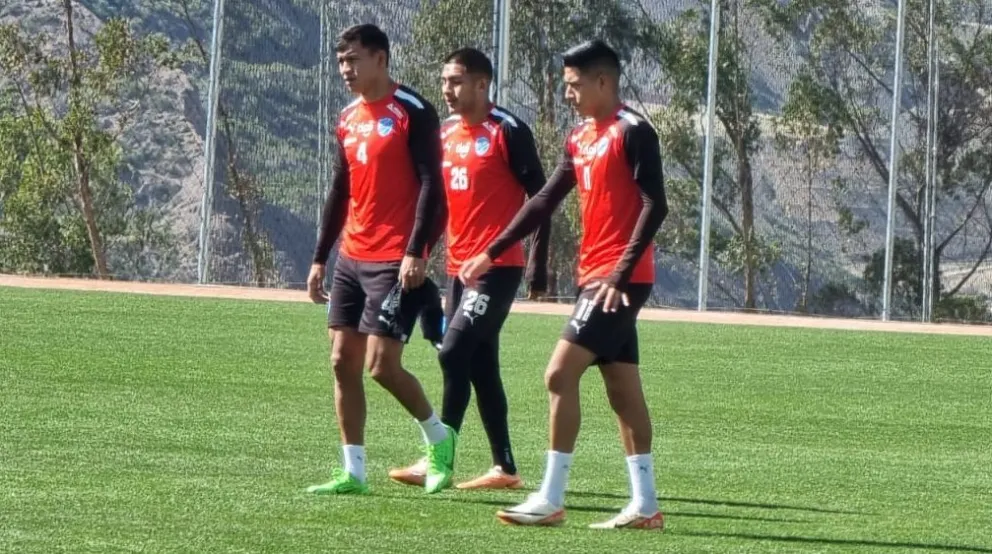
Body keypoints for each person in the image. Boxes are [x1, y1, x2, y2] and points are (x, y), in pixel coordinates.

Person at [459, 39, 668, 529]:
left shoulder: (633, 131)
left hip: (619, 280)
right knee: (623, 390)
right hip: (594, 275)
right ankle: (646, 506)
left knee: (558, 374)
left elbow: (655, 204)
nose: (568, 94)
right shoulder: (580, 137)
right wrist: (492, 248)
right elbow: (544, 200)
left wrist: (619, 272)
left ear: (602, 82)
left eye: (574, 86)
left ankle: (551, 497)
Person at [388, 48, 550, 490]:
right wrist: (421, 248)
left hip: (499, 269)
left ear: (483, 84)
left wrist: (539, 265)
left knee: (452, 351)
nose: (447, 90)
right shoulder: (444, 133)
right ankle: (506, 468)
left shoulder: (508, 130)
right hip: (459, 270)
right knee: (481, 366)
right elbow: (439, 202)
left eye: (456, 81)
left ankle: (437, 455)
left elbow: (542, 200)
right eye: (444, 81)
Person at [306, 23, 455, 496]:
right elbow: (339, 189)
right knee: (339, 361)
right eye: (341, 62)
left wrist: (418, 250)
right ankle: (353, 471)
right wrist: (319, 258)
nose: (346, 70)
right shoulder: (348, 118)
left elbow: (435, 188)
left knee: (381, 366)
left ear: (381, 59)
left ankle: (439, 436)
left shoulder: (413, 112)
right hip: (351, 256)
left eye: (354, 59)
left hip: (395, 259)